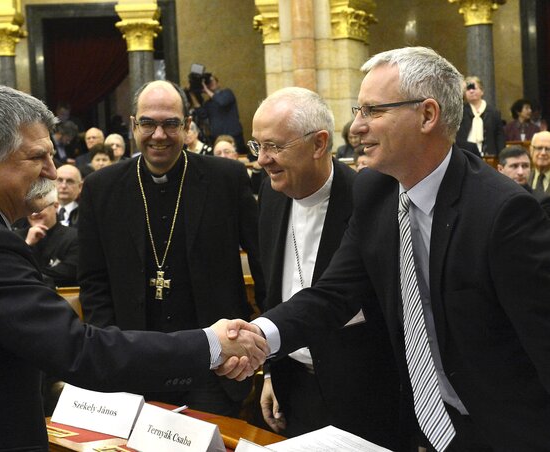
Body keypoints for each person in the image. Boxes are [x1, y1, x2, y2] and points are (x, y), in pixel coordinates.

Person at [0, 84, 267, 450]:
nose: (51, 171)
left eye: (51, 154)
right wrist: (211, 343)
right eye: (37, 157)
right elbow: (79, 351)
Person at [221, 46, 550, 451]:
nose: (356, 127)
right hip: (417, 429)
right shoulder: (375, 191)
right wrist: (259, 336)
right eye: (359, 111)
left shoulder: (502, 212)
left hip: (502, 433)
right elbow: (334, 294)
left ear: (427, 116)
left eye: (372, 112)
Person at [78, 80, 266, 417]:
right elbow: (93, 280)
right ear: (134, 125)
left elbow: (263, 266)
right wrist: (111, 351)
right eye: (148, 123)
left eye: (170, 123)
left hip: (216, 367)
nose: (159, 135)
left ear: (188, 126)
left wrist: (263, 349)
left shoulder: (228, 179)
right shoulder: (100, 189)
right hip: (132, 366)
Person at [252, 87, 402, 447]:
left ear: (319, 144)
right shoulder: (270, 195)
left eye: (273, 146)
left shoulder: (370, 199)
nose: (262, 160)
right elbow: (271, 292)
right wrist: (270, 373)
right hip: (294, 389)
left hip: (364, 397)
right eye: (257, 146)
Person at [17, 188, 79, 287]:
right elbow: (10, 268)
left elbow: (68, 273)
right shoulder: (16, 237)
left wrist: (25, 275)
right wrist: (27, 245)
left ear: (56, 206)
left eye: (40, 208)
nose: (35, 213)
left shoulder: (74, 237)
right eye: (31, 209)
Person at [192, 74, 246, 154]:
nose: (210, 83)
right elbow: (202, 114)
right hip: (217, 138)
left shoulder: (227, 93)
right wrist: (192, 94)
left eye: (212, 80)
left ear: (218, 83)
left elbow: (222, 102)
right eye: (208, 82)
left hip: (234, 136)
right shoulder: (208, 103)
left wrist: (206, 90)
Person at [455, 76, 505, 156]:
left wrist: (502, 156)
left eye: (474, 88)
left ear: (482, 91)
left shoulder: (493, 112)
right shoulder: (460, 111)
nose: (471, 91)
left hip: (489, 155)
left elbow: (499, 136)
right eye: (468, 89)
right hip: (465, 154)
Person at [497, 145, 550, 217]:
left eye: (525, 166)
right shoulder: (491, 198)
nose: (520, 172)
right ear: (500, 169)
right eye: (514, 166)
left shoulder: (542, 200)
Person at [529, 130, 550, 195]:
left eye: (548, 149)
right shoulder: (523, 177)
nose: (543, 153)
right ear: (531, 150)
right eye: (539, 148)